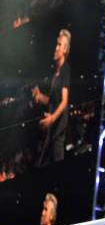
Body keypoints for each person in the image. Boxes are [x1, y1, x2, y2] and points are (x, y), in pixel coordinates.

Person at [32, 29, 71, 166]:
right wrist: (40, 96)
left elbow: (64, 101)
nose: (56, 48)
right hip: (52, 128)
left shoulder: (65, 69)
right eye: (57, 44)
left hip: (58, 127)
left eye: (59, 45)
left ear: (65, 50)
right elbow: (53, 101)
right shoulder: (56, 73)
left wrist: (52, 118)